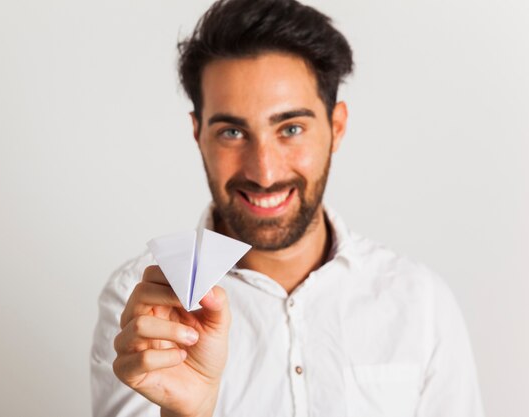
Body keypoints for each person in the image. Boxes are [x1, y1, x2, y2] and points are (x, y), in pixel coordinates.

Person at [90, 0, 485, 416]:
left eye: (291, 129)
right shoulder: (143, 301)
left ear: (336, 127)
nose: (264, 172)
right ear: (198, 134)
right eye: (232, 131)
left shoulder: (419, 301)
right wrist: (188, 411)